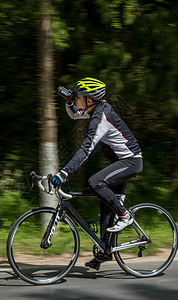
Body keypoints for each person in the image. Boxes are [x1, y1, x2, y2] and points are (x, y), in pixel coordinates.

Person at [51, 77, 143, 270]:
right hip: (120, 161)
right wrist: (69, 101)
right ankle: (105, 250)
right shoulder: (95, 110)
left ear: (90, 100)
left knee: (95, 183)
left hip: (130, 161)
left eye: (79, 96)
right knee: (105, 205)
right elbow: (75, 114)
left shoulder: (101, 116)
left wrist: (64, 173)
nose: (77, 98)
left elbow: (86, 149)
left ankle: (125, 215)